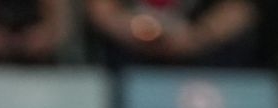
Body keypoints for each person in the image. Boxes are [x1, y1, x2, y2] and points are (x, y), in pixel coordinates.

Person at [84, 0, 261, 68]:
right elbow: (102, 12)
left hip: (206, 63)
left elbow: (240, 10)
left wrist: (196, 38)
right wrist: (139, 30)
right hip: (126, 58)